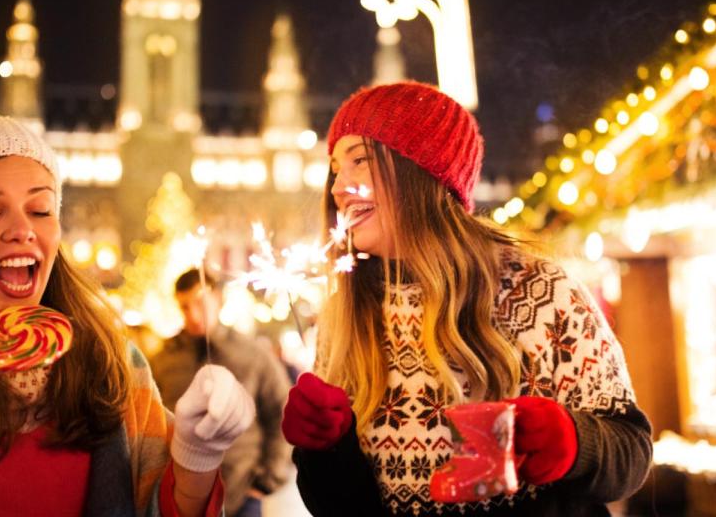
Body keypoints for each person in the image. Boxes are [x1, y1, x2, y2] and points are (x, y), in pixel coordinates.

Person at [280, 82, 653, 516]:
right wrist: (323, 451)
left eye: (359, 160)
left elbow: (632, 450)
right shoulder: (343, 319)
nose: (339, 186)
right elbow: (344, 509)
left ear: (418, 169)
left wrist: (573, 442)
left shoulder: (538, 289)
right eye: (334, 169)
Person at [0, 115, 254, 517]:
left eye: (40, 209)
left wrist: (197, 457)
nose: (23, 229)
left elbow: (165, 507)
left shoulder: (114, 366)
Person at [149, 269, 292, 517]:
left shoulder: (253, 354)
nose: (193, 315)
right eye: (184, 307)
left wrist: (266, 481)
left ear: (218, 300)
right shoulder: (163, 360)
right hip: (181, 493)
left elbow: (282, 413)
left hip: (242, 492)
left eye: (200, 304)